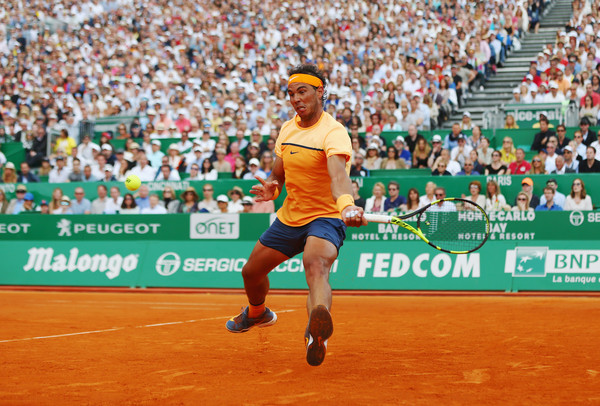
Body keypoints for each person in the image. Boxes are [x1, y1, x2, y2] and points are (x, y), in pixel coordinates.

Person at [225, 65, 366, 368]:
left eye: (302, 91)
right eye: (291, 93)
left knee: (316, 264)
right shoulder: (288, 130)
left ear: (320, 92)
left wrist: (347, 204)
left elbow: (338, 174)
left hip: (327, 217)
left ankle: (317, 335)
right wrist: (272, 188)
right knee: (251, 273)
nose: (295, 99)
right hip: (290, 217)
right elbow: (278, 174)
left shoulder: (333, 131)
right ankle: (257, 313)